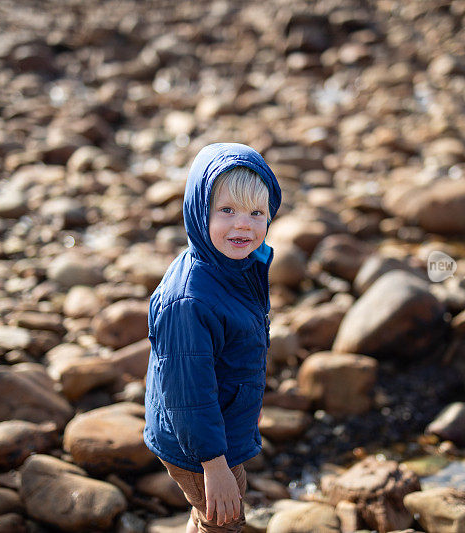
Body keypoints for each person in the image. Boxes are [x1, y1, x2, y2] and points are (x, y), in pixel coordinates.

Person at [143, 143, 282, 533]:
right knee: (225, 521)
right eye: (227, 211)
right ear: (198, 210)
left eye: (257, 213)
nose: (244, 224)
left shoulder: (233, 266)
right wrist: (214, 465)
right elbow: (188, 394)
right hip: (197, 443)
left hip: (217, 425)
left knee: (210, 517)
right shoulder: (190, 299)